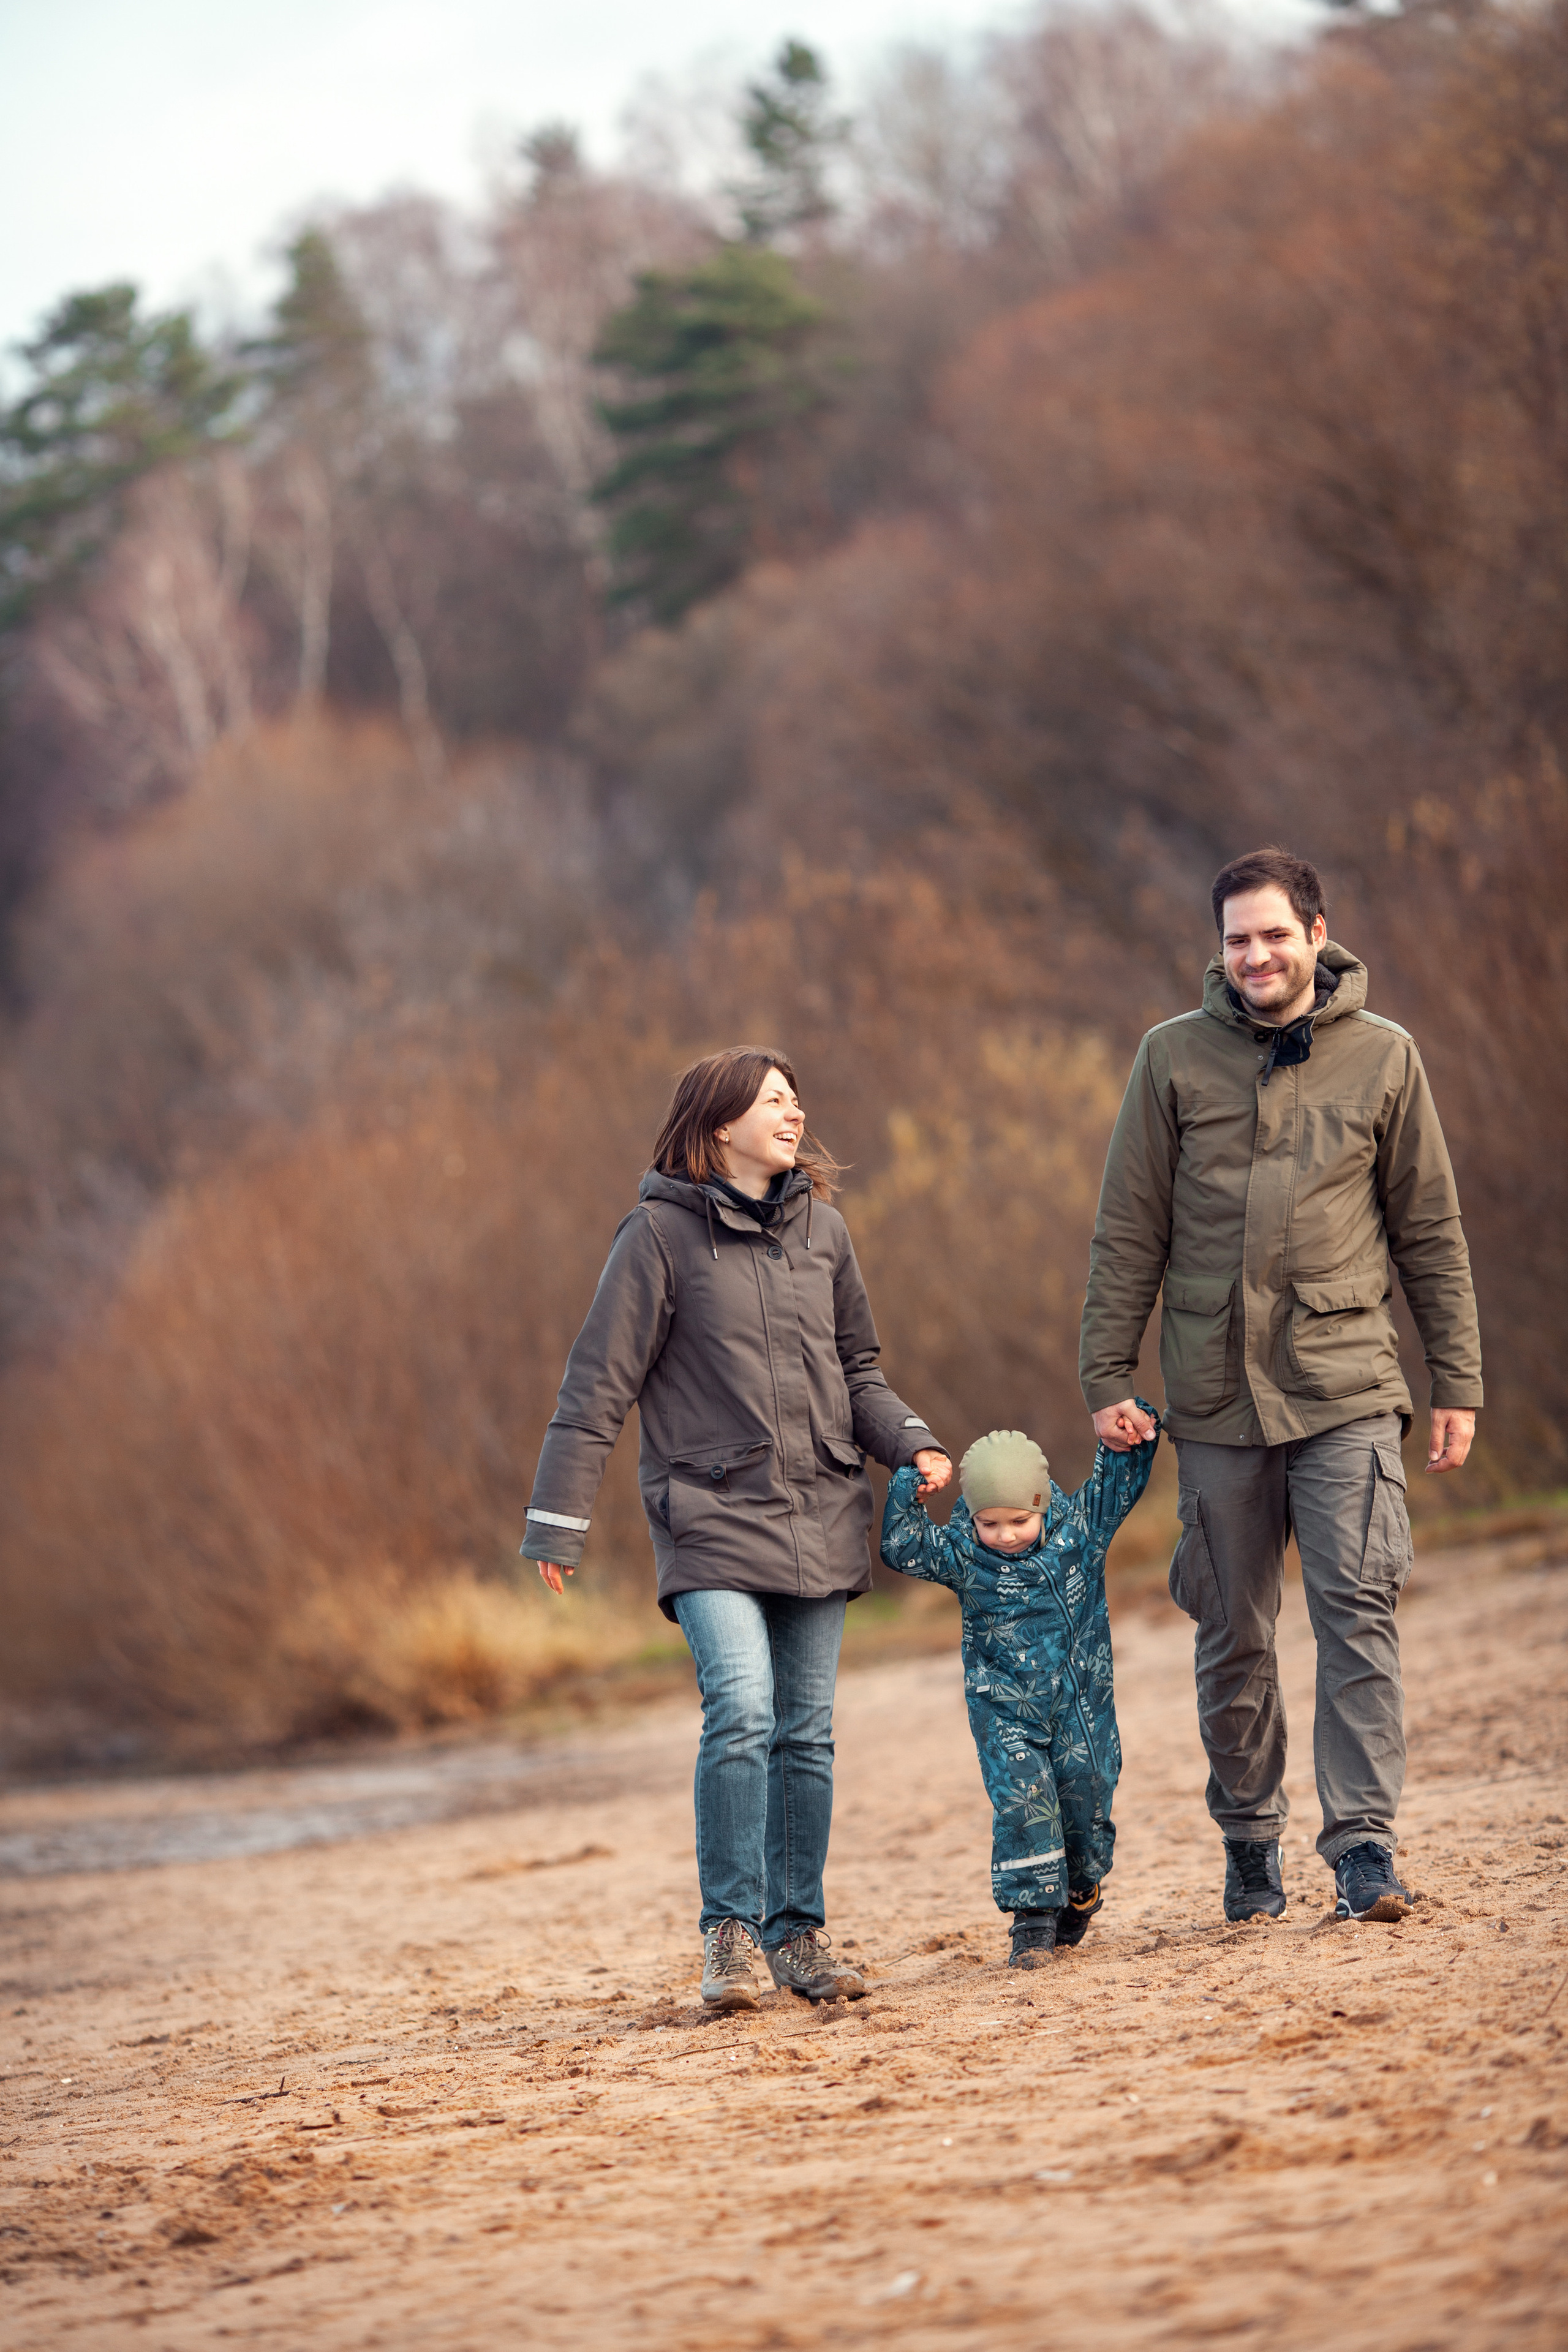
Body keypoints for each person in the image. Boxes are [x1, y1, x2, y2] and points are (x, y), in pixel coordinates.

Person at [1079, 847, 1482, 1926]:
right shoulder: (1170, 1057)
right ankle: (1251, 1844)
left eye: (1273, 935)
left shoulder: (1387, 1057)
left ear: (1317, 934)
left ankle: (1364, 1849)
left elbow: (1430, 1232)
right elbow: (1129, 1228)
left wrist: (1457, 1379)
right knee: (1233, 1632)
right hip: (1215, 1397)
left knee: (1358, 1613)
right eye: (1236, 940)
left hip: (1347, 1383)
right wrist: (1106, 1371)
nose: (1254, 956)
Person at [521, 1047, 951, 2010]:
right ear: (720, 1124)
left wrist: (911, 1443)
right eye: (772, 1102)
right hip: (708, 1514)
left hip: (821, 1509)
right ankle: (729, 1938)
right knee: (745, 1708)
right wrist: (557, 1522)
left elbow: (859, 1370)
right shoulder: (656, 1237)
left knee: (807, 1734)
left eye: (797, 1100)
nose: (793, 1115)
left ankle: (796, 1937)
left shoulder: (825, 1231)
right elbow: (597, 1385)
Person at [880, 1416, 1159, 1967]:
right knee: (1024, 1802)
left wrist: (1127, 1430)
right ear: (972, 1516)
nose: (1005, 1534)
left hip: (1082, 1706)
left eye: (1019, 1520)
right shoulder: (964, 1554)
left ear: (1043, 1505)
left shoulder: (1080, 1532)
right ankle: (1032, 1919)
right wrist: (908, 1486)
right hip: (1003, 1709)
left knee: (1087, 1794)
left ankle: (1081, 1885)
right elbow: (902, 1545)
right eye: (989, 1522)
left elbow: (1119, 1482)